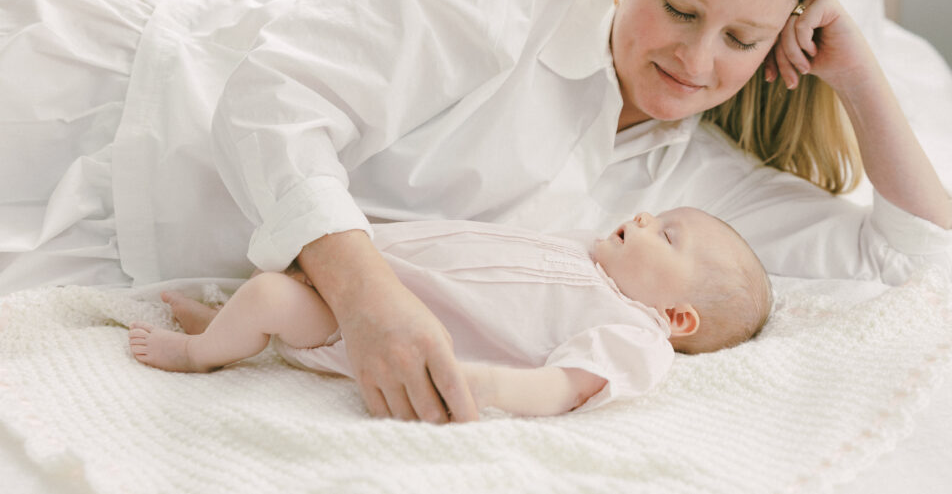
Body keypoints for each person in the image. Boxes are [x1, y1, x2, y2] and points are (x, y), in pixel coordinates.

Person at [0, 0, 952, 425]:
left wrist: (859, 73)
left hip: (132, 257)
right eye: (677, 8)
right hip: (110, 102)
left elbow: (914, 258)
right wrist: (366, 296)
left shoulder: (699, 192)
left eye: (742, 39)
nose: (696, 58)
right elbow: (272, 96)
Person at [128, 207, 773, 417]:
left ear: (678, 317)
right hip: (364, 271)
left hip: (362, 329)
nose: (644, 217)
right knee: (275, 269)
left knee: (270, 297)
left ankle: (198, 352)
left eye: (666, 235)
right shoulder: (589, 253)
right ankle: (227, 330)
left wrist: (485, 384)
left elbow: (563, 387)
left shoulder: (636, 336)